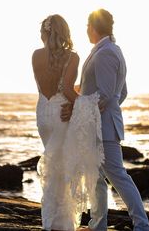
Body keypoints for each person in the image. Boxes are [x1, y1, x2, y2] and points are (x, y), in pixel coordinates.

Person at [61, 9, 149, 231]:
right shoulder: (110, 50)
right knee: (96, 177)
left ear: (93, 27)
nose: (85, 31)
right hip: (98, 124)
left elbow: (105, 94)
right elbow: (121, 92)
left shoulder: (106, 53)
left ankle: (142, 226)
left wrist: (78, 105)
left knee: (118, 177)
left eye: (86, 26)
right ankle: (98, 224)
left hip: (104, 128)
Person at [32, 14, 104, 231]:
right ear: (64, 32)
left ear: (44, 32)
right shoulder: (72, 57)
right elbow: (64, 89)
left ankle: (51, 219)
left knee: (53, 164)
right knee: (62, 168)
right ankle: (60, 223)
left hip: (43, 114)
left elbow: (47, 86)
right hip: (61, 114)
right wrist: (87, 104)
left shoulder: (35, 55)